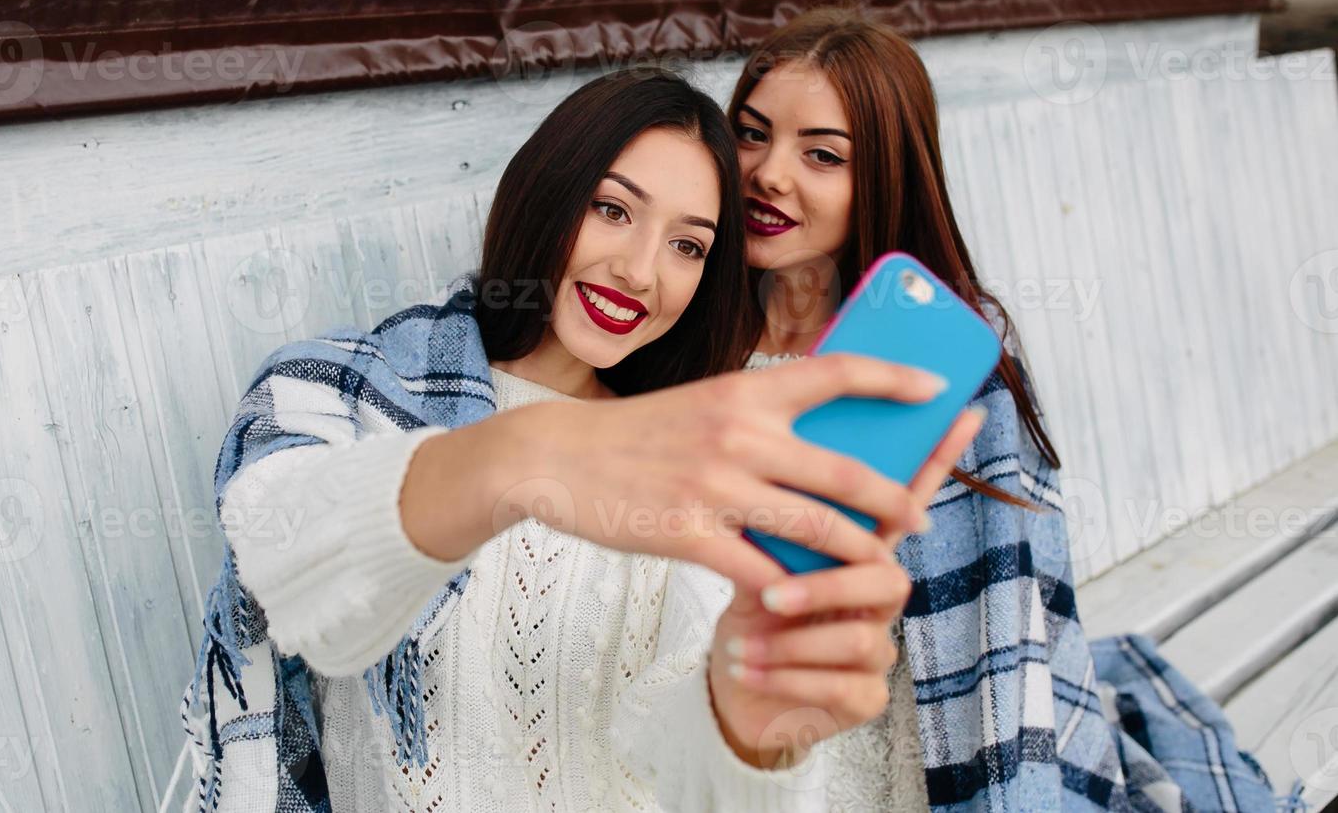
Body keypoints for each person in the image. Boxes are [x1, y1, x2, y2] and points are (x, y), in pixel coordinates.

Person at [178, 66, 985, 812]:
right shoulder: (335, 385)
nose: (640, 271)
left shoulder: (686, 462)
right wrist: (525, 452)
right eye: (613, 209)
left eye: (688, 246)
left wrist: (746, 725)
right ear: (546, 191)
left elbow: (682, 766)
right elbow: (289, 572)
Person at [727, 6, 1291, 812]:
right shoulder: (694, 325)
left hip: (899, 717)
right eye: (751, 134)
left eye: (822, 155)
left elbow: (999, 603)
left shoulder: (936, 346)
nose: (769, 173)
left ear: (884, 174)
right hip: (721, 694)